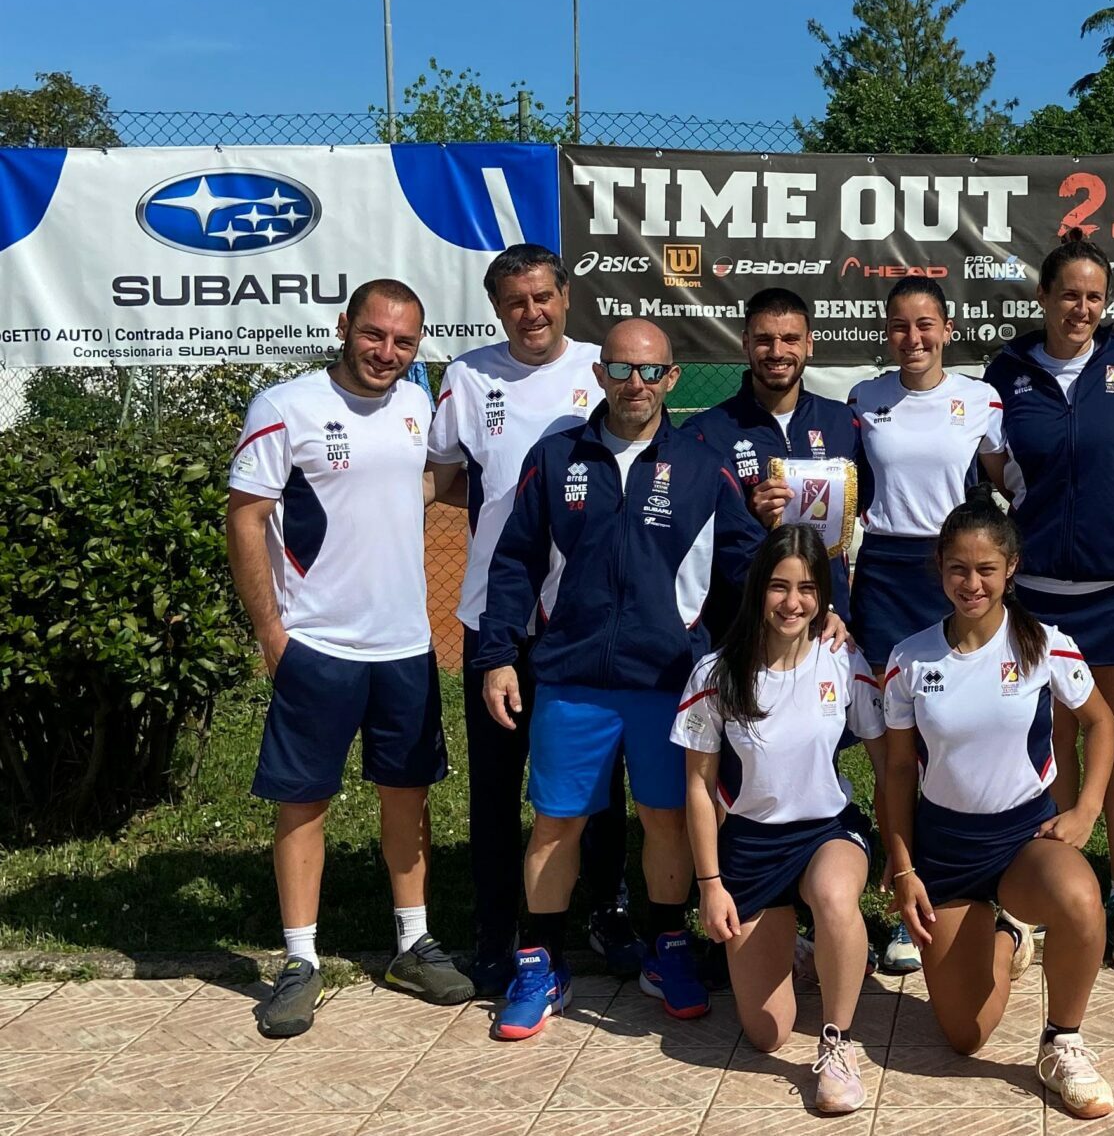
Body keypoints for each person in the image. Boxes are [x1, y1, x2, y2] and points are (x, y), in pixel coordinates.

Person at [474, 318, 760, 1039]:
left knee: (666, 820)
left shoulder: (703, 465)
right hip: (571, 677)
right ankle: (540, 962)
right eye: (622, 370)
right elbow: (513, 564)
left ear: (672, 379)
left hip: (670, 682)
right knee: (557, 823)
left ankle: (667, 946)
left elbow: (745, 569)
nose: (637, 384)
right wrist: (499, 654)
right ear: (599, 375)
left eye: (651, 371)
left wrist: (795, 625)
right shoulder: (555, 457)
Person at [227, 278, 474, 1038]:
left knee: (408, 794)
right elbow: (246, 519)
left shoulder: (416, 405)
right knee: (304, 800)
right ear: (345, 326)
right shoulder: (284, 405)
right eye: (374, 336)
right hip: (319, 644)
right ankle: (299, 959)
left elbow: (429, 479)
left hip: (404, 645)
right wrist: (273, 634)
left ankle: (411, 943)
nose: (386, 353)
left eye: (403, 342)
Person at [426, 244, 640, 995]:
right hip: (497, 617)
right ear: (497, 308)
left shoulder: (603, 369)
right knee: (496, 786)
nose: (532, 313)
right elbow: (443, 481)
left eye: (543, 296)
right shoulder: (467, 376)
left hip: (584, 619)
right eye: (516, 301)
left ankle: (607, 913)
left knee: (599, 784)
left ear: (566, 296)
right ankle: (496, 933)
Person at [883, 499, 1114, 1121]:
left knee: (1079, 898)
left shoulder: (1044, 645)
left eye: (986, 569)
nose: (971, 584)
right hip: (946, 852)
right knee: (964, 1038)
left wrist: (1087, 808)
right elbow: (900, 773)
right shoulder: (909, 660)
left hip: (1023, 839)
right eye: (957, 568)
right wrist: (903, 867)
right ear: (939, 567)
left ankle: (1062, 1040)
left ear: (1011, 567)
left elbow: (1101, 723)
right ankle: (1007, 934)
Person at [983, 229, 1114, 972]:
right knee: (1050, 748)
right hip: (1035, 597)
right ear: (1044, 298)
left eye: (1095, 296)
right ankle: (1049, 893)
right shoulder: (1010, 370)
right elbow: (990, 455)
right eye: (1069, 294)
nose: (1082, 308)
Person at [676, 527, 887, 1115]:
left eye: (806, 588)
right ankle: (801, 949)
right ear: (757, 590)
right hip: (752, 846)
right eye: (778, 586)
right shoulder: (717, 675)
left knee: (834, 895)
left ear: (823, 596)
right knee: (766, 1033)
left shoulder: (842, 659)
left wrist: (903, 856)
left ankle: (838, 1045)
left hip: (827, 831)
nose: (792, 602)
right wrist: (710, 884)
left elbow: (886, 763)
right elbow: (697, 786)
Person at [848, 275, 1008, 975]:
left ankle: (977, 892)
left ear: (946, 330)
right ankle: (900, 903)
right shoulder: (864, 400)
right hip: (884, 574)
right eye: (899, 327)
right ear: (886, 333)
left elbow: (1009, 483)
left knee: (961, 739)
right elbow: (845, 492)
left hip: (955, 574)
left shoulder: (981, 399)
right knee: (893, 752)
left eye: (925, 325)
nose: (912, 338)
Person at [684, 287, 871, 624]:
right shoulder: (706, 432)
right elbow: (697, 538)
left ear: (809, 344)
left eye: (790, 339)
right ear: (745, 343)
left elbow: (864, 509)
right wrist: (750, 511)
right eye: (764, 339)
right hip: (741, 621)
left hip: (827, 619)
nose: (777, 351)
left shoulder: (843, 422)